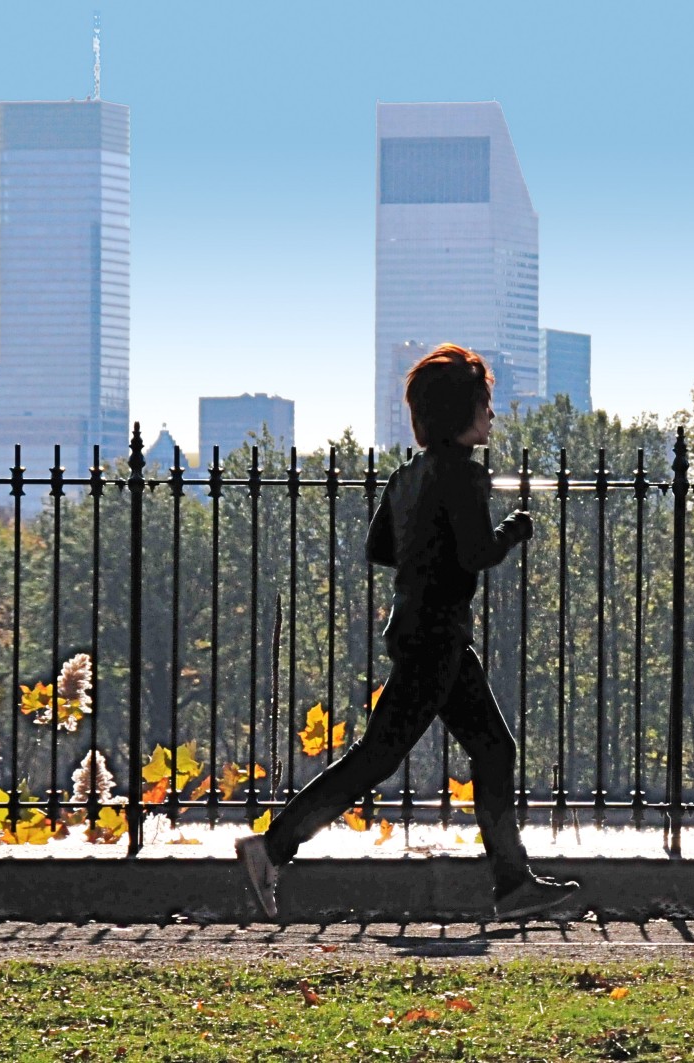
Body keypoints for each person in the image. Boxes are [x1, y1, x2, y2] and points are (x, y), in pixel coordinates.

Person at [235, 343, 581, 921]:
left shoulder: (408, 476)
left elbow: (380, 548)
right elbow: (476, 552)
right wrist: (514, 530)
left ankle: (512, 882)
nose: (491, 415)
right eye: (485, 403)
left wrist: (426, 549)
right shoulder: (463, 477)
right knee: (381, 758)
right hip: (439, 637)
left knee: (490, 749)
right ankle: (273, 846)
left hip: (421, 630)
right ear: (461, 413)